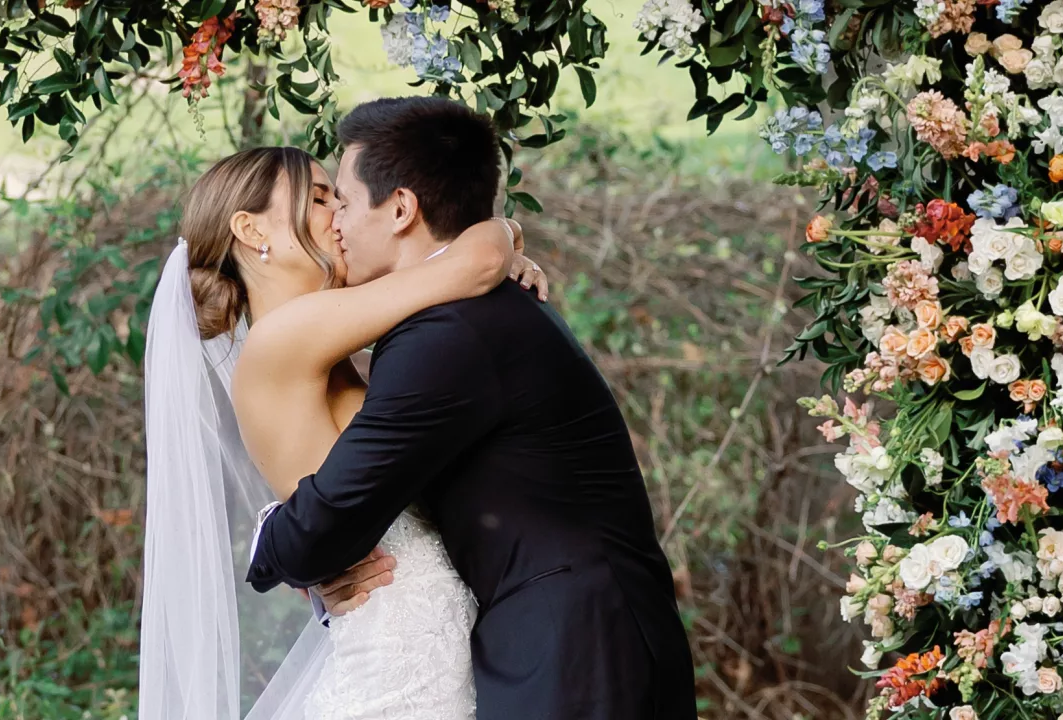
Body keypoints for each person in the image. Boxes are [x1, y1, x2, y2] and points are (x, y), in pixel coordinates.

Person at [245, 97, 699, 719]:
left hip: (579, 649)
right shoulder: (461, 311)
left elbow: (334, 516)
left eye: (343, 201)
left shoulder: (447, 335)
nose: (338, 224)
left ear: (401, 209)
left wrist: (270, 545)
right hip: (565, 635)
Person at [139, 143, 545, 720]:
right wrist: (506, 231)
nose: (340, 214)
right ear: (252, 229)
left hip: (419, 655)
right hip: (397, 673)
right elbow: (472, 263)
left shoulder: (322, 336)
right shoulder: (288, 335)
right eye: (320, 198)